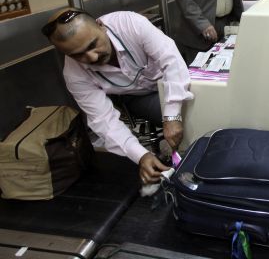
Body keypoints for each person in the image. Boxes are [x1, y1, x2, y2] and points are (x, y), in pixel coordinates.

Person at [42, 9, 193, 185]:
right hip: (135, 96)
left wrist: (172, 114)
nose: (91, 57)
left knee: (205, 105)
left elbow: (171, 61)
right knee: (192, 119)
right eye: (77, 55)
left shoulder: (130, 24)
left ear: (101, 26)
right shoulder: (74, 74)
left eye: (92, 45)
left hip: (168, 79)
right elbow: (104, 121)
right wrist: (141, 155)